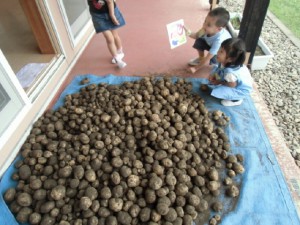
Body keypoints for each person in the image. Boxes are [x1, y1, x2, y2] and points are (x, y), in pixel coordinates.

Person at [201, 38, 253, 107]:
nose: (218, 52)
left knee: (220, 91)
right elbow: (219, 69)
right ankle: (221, 82)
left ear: (230, 59)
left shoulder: (230, 73)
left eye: (221, 51)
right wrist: (214, 76)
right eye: (219, 49)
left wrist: (219, 82)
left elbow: (232, 85)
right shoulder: (224, 62)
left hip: (240, 89)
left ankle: (236, 100)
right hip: (232, 80)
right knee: (215, 72)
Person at [185, 7, 231, 73]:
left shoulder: (219, 40)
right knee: (199, 40)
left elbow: (208, 58)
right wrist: (187, 31)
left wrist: (195, 68)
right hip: (211, 45)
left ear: (219, 29)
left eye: (208, 25)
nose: (204, 25)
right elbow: (196, 35)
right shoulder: (206, 29)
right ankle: (201, 58)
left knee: (215, 60)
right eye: (205, 21)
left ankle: (218, 67)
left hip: (221, 51)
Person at [87, 0, 127, 68]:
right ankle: (118, 59)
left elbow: (109, 1)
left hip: (110, 11)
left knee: (115, 35)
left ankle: (120, 52)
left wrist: (112, 16)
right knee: (109, 39)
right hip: (97, 16)